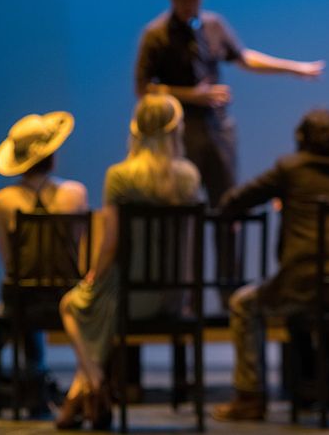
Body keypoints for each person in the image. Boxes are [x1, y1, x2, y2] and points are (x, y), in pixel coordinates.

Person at [211, 108, 329, 422]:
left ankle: (249, 397)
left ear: (301, 138)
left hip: (302, 288)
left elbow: (238, 199)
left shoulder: (290, 170)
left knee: (243, 304)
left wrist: (230, 214)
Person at [56, 94, 202, 430]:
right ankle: (83, 393)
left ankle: (93, 383)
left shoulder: (121, 176)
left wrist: (93, 275)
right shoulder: (189, 176)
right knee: (96, 309)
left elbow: (110, 242)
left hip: (131, 297)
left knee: (72, 304)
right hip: (174, 296)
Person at [135, 0, 325, 209]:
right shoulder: (156, 34)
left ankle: (227, 235)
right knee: (183, 201)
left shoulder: (213, 25)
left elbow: (243, 58)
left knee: (226, 201)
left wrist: (294, 68)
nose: (189, 4)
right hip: (181, 130)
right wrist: (191, 95)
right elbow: (143, 88)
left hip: (217, 126)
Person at [0, 111, 88, 392]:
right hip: (68, 296)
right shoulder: (75, 194)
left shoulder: (2, 201)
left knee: (16, 291)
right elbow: (78, 249)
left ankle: (30, 373)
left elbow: (9, 261)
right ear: (52, 156)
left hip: (25, 303)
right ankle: (84, 380)